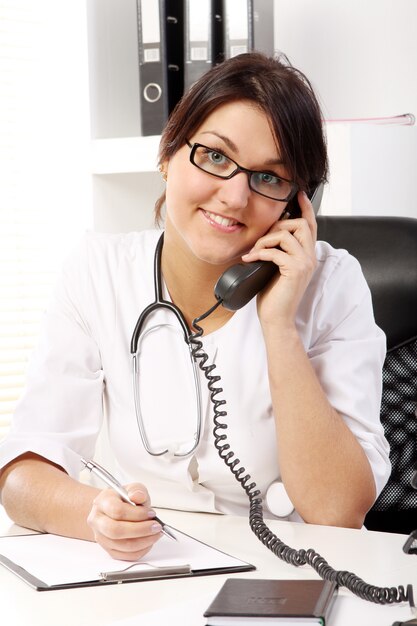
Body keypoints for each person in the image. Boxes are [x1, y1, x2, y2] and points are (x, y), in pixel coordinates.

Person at [0, 52, 390, 562]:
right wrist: (97, 515)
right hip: (153, 573)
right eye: (215, 156)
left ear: (297, 206)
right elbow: (22, 477)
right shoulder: (98, 271)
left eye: (270, 178)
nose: (233, 197)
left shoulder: (332, 285)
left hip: (292, 579)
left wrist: (278, 326)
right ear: (168, 154)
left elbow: (338, 512)